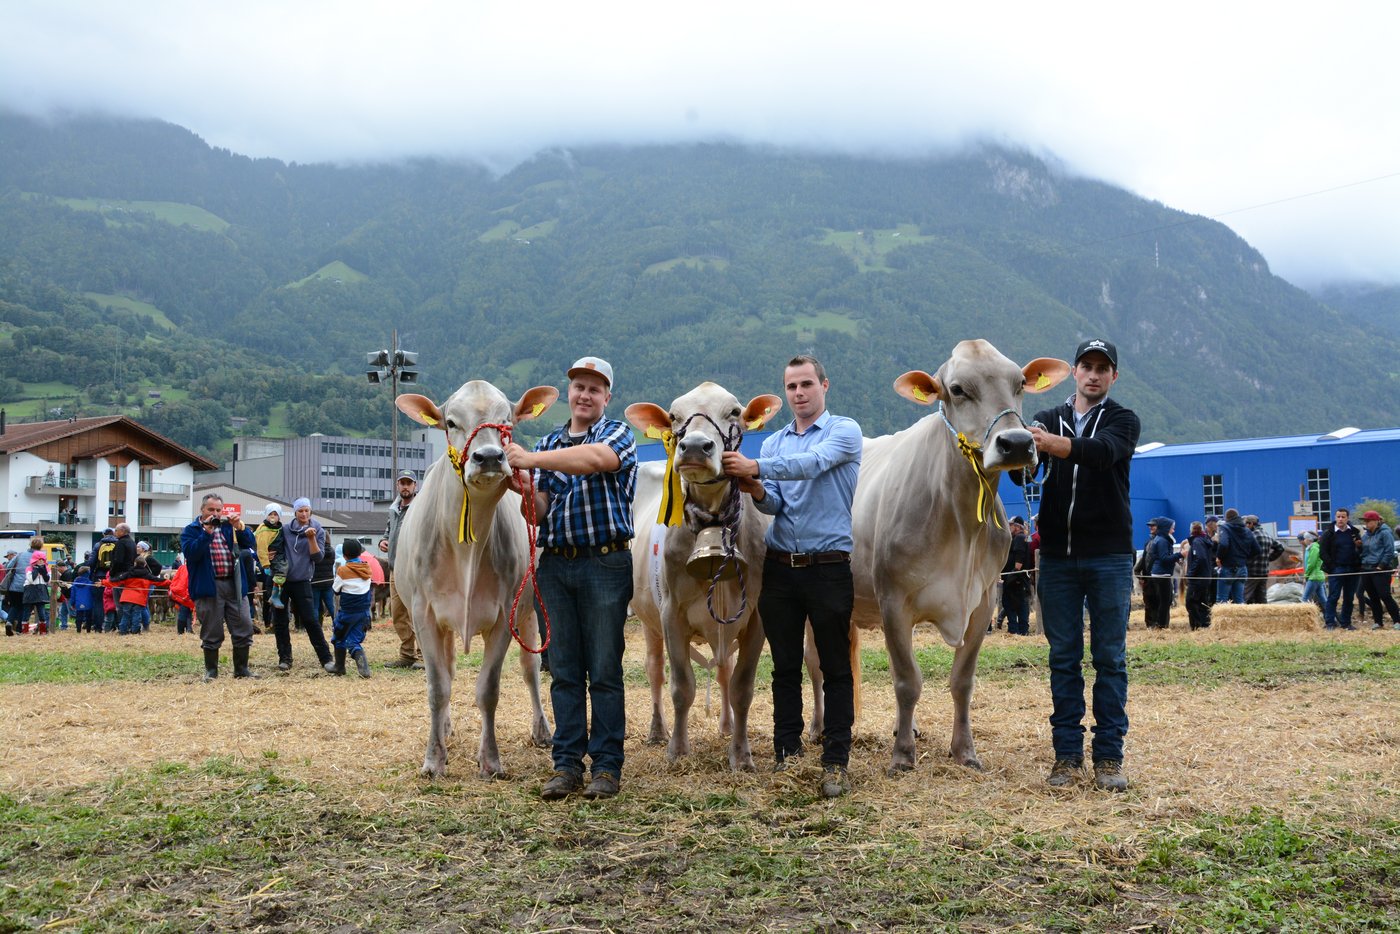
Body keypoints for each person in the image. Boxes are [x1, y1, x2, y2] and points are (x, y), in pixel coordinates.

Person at [723, 353, 863, 799]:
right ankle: (787, 755)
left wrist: (758, 469)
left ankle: (836, 760)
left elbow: (815, 463)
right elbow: (774, 505)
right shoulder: (775, 441)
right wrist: (758, 489)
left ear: (825, 385)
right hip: (781, 566)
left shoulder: (844, 431)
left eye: (806, 384)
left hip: (829, 566)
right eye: (791, 387)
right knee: (784, 666)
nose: (799, 393)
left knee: (834, 666)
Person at [505, 355, 637, 801]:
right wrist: (518, 487)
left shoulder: (616, 433)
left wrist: (531, 458)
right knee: (562, 670)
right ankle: (566, 766)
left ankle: (606, 766)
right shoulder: (547, 442)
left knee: (603, 668)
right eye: (579, 386)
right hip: (557, 563)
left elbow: (596, 460)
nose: (585, 395)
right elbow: (538, 511)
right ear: (570, 392)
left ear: (606, 398)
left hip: (606, 562)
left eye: (594, 389)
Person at [1029, 337, 1141, 792]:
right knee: (1063, 658)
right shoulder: (1042, 418)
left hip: (1110, 556)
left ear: (1113, 377)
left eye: (1103, 368)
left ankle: (1109, 757)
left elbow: (1101, 453)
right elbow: (1026, 466)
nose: (1094, 374)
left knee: (1110, 658)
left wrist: (1051, 444)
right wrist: (1021, 454)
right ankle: (1067, 757)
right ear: (1073, 372)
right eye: (1086, 366)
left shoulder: (1122, 420)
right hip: (1056, 557)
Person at [181, 493, 259, 680]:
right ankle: (211, 671)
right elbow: (191, 554)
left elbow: (250, 544)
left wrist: (240, 527)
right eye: (211, 510)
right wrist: (206, 532)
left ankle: (241, 670)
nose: (215, 513)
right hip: (208, 586)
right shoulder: (191, 530)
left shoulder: (227, 528)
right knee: (211, 629)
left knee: (244, 625)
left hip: (234, 584)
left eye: (218, 510)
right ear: (202, 510)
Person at [280, 498, 336, 672]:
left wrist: (311, 538)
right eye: (300, 511)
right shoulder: (285, 530)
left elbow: (318, 558)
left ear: (310, 511)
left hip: (303, 579)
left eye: (306, 511)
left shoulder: (318, 529)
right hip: (282, 581)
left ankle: (326, 658)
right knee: (281, 621)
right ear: (295, 513)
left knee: (310, 620)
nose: (303, 514)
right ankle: (285, 658)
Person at [379, 470, 423, 669]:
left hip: (414, 570)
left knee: (417, 614)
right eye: (402, 483)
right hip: (395, 568)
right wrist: (383, 540)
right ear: (397, 485)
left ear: (415, 486)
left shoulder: (421, 507)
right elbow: (388, 529)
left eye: (409, 483)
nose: (405, 486)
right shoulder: (393, 509)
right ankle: (407, 654)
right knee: (397, 614)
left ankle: (424, 656)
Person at [331, 538, 374, 677]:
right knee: (354, 641)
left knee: (339, 638)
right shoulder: (367, 569)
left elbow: (335, 589)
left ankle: (339, 667)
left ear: (344, 556)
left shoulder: (343, 571)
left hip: (347, 613)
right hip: (363, 613)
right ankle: (364, 669)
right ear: (359, 554)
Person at [1318, 508, 1363, 630]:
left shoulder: (1354, 532)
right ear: (1335, 517)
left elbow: (1360, 550)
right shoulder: (1328, 533)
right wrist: (1332, 567)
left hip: (1352, 569)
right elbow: (1322, 552)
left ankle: (1346, 623)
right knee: (1333, 596)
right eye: (1338, 517)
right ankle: (1330, 623)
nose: (1340, 519)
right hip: (1337, 569)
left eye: (1343, 517)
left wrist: (1359, 547)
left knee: (1349, 597)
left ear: (1347, 518)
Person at [1357, 510, 1400, 629]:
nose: (1366, 523)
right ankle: (1378, 622)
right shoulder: (1365, 536)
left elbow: (1389, 551)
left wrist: (1381, 566)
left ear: (1376, 521)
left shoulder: (1385, 533)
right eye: (1365, 521)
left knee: (1385, 595)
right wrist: (1359, 547)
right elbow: (1363, 553)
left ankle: (1397, 621)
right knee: (1373, 596)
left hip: (1380, 569)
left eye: (1368, 521)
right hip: (1366, 568)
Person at [1213, 509, 1258, 606]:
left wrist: (1219, 557)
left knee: (1222, 600)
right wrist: (1244, 558)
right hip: (1242, 568)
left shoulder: (1225, 528)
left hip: (1228, 567)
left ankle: (1222, 621)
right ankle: (1241, 621)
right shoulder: (1247, 530)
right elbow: (1257, 549)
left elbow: (1224, 544)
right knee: (1239, 600)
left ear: (1226, 518)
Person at [1142, 518, 1180, 629]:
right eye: (1172, 528)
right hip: (1160, 574)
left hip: (1156, 574)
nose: (1173, 531)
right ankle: (1162, 626)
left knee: (1162, 601)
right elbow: (1163, 558)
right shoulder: (1162, 540)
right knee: (1162, 602)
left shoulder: (1158, 540)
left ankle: (1160, 624)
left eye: (1153, 526)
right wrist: (1180, 555)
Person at [1001, 516, 1033, 636]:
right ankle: (1020, 630)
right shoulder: (1022, 537)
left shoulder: (1019, 538)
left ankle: (1016, 630)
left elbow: (1019, 558)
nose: (1009, 527)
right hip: (1017, 577)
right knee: (1019, 604)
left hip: (1016, 577)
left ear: (1017, 526)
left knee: (1011, 603)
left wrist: (1013, 572)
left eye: (1011, 525)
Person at [1243, 515, 1284, 605]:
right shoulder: (1267, 535)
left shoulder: (1250, 536)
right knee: (1261, 598)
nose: (1245, 526)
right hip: (1264, 572)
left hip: (1251, 571)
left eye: (1246, 524)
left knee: (1244, 597)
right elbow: (1280, 548)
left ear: (1251, 524)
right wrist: (1269, 558)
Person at [1185, 519, 1218, 630]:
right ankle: (1204, 624)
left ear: (1191, 530)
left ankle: (1197, 625)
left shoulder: (1197, 542)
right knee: (1202, 602)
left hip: (1197, 578)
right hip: (1205, 576)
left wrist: (1190, 573)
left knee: (1191, 601)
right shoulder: (1205, 540)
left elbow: (1200, 558)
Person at [20, 544, 51, 634]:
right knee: (27, 612)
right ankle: (24, 630)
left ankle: (43, 631)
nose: (41, 562)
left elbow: (47, 580)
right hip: (30, 590)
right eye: (39, 560)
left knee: (41, 612)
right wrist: (36, 569)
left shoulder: (47, 569)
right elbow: (30, 579)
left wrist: (43, 571)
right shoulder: (29, 569)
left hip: (41, 590)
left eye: (42, 560)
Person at [1299, 531, 1326, 614]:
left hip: (1313, 577)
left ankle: (1305, 618)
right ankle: (1332, 619)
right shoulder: (1316, 547)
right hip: (1319, 577)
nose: (1304, 540)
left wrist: (1306, 575)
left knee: (1304, 599)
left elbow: (1311, 564)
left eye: (1305, 538)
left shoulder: (1313, 548)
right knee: (1324, 600)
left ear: (1308, 539)